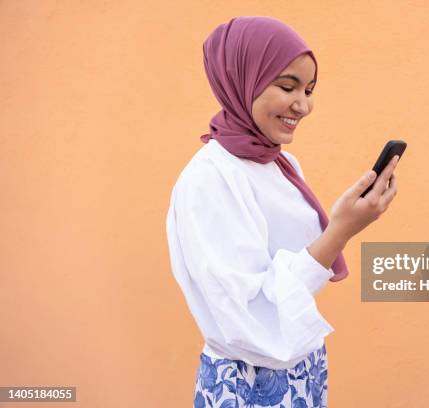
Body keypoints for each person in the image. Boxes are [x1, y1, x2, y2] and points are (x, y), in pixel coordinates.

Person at [165, 16, 398, 408]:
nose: (303, 105)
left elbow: (294, 282)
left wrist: (342, 227)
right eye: (287, 86)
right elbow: (249, 315)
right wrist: (339, 231)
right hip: (247, 383)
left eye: (308, 90)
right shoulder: (210, 179)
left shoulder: (280, 163)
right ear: (241, 78)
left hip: (303, 368)